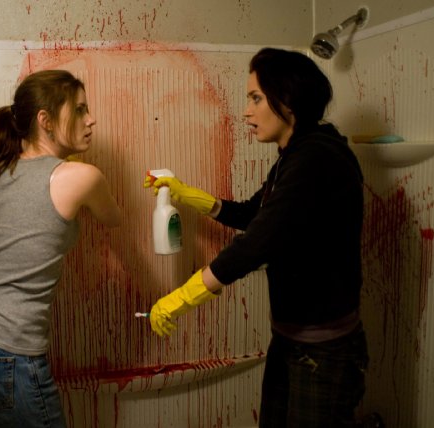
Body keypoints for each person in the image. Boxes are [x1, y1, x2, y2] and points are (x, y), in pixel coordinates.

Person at [145, 48, 367, 427]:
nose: (246, 111)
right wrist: (188, 194)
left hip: (323, 350)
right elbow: (254, 214)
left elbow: (257, 242)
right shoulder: (294, 154)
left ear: (288, 100)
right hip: (291, 337)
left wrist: (181, 298)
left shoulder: (316, 158)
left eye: (256, 98)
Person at [0, 69, 122, 428]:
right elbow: (113, 218)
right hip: (10, 350)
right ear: (45, 121)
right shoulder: (82, 177)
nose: (91, 119)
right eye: (80, 109)